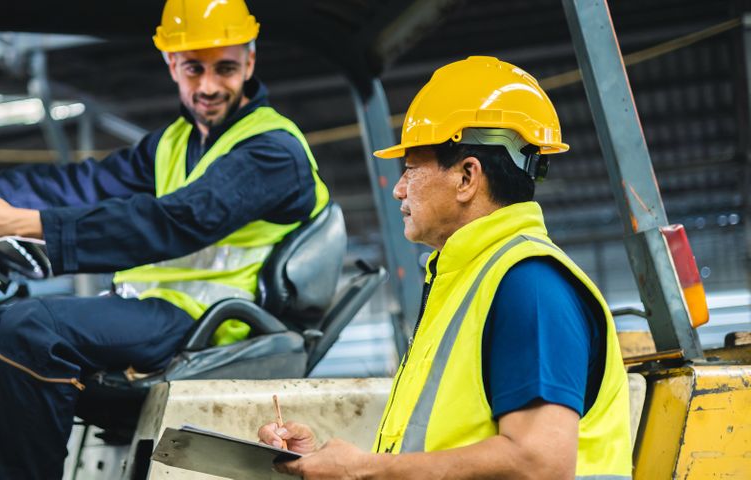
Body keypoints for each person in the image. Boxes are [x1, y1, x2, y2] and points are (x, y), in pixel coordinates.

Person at [0, 1, 329, 478]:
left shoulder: (272, 150)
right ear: (171, 64)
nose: (207, 86)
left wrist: (19, 223)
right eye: (192, 68)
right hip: (150, 306)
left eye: (224, 68)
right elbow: (85, 184)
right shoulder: (174, 142)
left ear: (249, 61)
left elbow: (174, 222)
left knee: (32, 329)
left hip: (208, 317)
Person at [258, 56, 632, 479]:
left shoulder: (529, 284)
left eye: (411, 168)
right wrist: (334, 465)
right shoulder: (467, 282)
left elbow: (538, 463)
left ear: (467, 178)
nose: (399, 188)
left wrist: (363, 471)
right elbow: (443, 449)